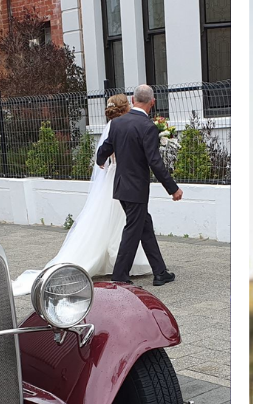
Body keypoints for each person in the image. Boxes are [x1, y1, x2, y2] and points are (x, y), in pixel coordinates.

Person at [13, 95, 149, 294]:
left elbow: (101, 155)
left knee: (125, 222)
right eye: (128, 104)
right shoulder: (120, 126)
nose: (131, 106)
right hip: (122, 179)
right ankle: (119, 267)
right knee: (122, 222)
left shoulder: (113, 125)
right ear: (124, 108)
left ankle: (132, 264)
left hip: (115, 176)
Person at [96, 84, 183, 286]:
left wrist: (100, 160)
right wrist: (173, 188)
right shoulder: (147, 127)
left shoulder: (117, 124)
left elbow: (105, 147)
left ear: (133, 100)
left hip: (121, 187)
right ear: (152, 103)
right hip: (136, 189)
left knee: (144, 227)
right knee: (132, 231)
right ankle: (119, 276)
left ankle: (160, 272)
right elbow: (155, 162)